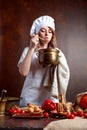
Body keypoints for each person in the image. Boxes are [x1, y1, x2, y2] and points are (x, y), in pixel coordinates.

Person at [17, 15, 70, 109]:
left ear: (52, 35)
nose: (47, 34)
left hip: (50, 98)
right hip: (30, 97)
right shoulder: (28, 50)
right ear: (37, 33)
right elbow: (23, 72)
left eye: (50, 32)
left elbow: (63, 74)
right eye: (43, 30)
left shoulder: (57, 53)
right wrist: (32, 48)